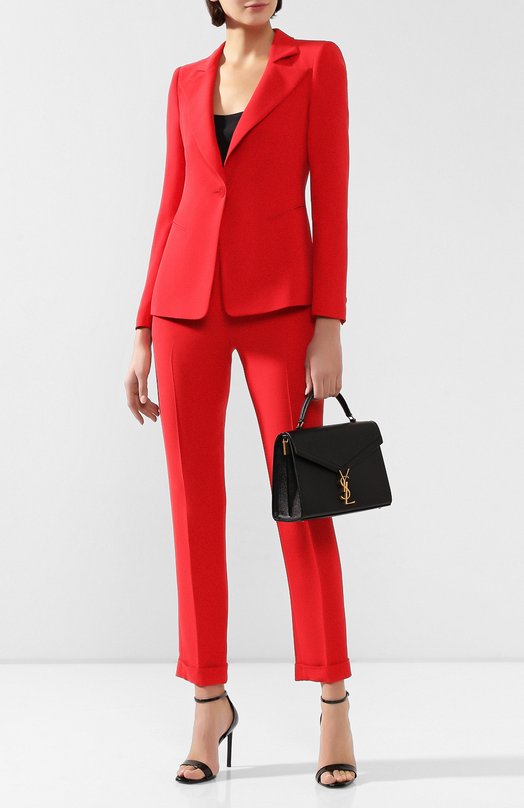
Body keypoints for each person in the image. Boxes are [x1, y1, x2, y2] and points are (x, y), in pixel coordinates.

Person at [124, 0, 357, 789]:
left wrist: (329, 323)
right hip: (184, 307)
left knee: (306, 505)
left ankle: (333, 702)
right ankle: (207, 702)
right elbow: (173, 200)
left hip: (282, 308)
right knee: (194, 511)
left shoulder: (316, 64)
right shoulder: (185, 82)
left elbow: (333, 195)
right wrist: (143, 326)